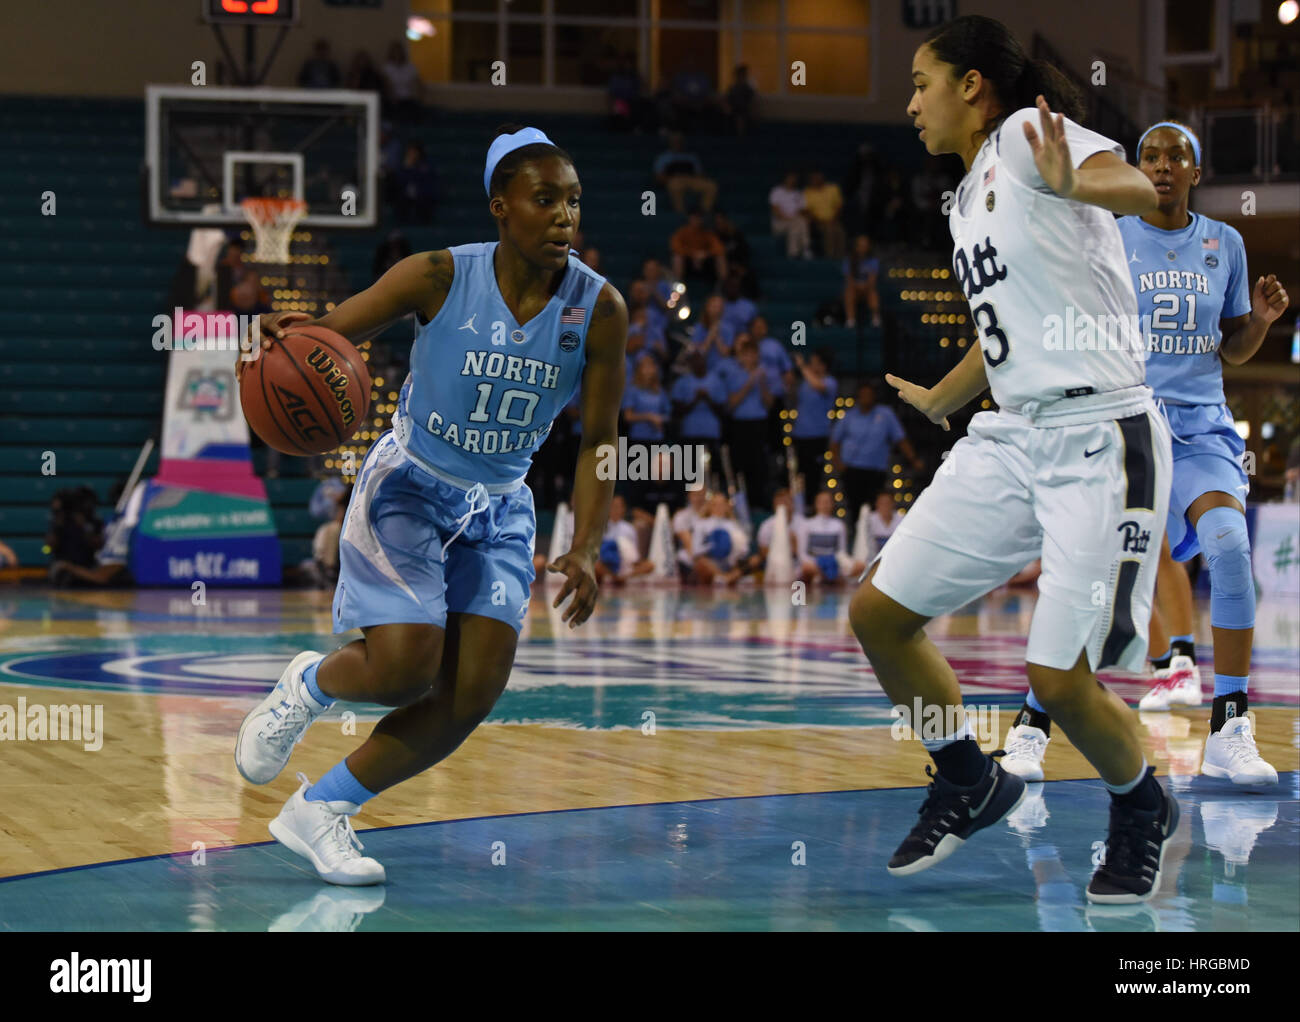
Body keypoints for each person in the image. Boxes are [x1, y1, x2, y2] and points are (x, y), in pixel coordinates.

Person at [233, 124, 628, 886]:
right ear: (500, 207)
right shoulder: (438, 275)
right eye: (544, 200)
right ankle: (308, 687)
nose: (564, 218)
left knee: (471, 693)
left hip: (503, 505)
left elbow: (599, 441)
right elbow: (327, 337)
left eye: (574, 202)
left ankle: (321, 810)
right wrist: (285, 334)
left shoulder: (599, 310)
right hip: (409, 487)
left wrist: (587, 542)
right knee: (405, 671)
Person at [849, 15, 1176, 904]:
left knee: (1056, 679)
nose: (909, 101)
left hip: (1103, 436)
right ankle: (965, 774)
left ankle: (1140, 803)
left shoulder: (1033, 139)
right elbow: (1009, 333)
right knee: (878, 613)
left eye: (922, 82)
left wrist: (1110, 184)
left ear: (972, 87)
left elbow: (1133, 186)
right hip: (1011, 433)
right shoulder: (963, 198)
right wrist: (943, 399)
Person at [1001, 119, 1288, 787]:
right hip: (1123, 421)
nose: (1161, 166)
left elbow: (1232, 346)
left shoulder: (1227, 243)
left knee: (1228, 544)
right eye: (1149, 156)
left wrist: (1262, 324)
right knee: (1089, 577)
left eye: (1175, 156)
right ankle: (1030, 730)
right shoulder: (1108, 234)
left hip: (1200, 429)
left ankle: (1232, 726)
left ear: (1195, 170)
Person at [829, 381, 923, 525]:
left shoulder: (886, 414)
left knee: (875, 508)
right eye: (863, 395)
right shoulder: (849, 416)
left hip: (876, 470)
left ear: (874, 397)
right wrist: (838, 464)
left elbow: (900, 439)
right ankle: (856, 538)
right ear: (858, 397)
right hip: (852, 469)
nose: (866, 398)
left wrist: (913, 459)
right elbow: (835, 441)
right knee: (854, 507)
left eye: (869, 395)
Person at [720, 336, 775, 507]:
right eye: (747, 354)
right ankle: (736, 505)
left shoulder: (765, 373)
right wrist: (750, 382)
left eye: (753, 354)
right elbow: (731, 404)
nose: (750, 358)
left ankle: (758, 505)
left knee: (759, 468)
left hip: (759, 425)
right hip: (739, 426)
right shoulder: (733, 374)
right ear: (741, 356)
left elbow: (770, 404)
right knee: (738, 466)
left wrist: (763, 384)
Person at [670, 350, 727, 478]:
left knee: (713, 473)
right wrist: (695, 400)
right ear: (690, 364)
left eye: (700, 360)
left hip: (711, 435)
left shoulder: (716, 381)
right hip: (689, 435)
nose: (698, 363)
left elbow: (723, 411)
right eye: (694, 361)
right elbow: (677, 412)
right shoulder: (682, 382)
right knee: (688, 473)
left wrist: (708, 399)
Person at [789, 350, 837, 481]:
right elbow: (794, 398)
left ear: (823, 365)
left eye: (813, 363)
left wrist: (801, 366)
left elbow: (819, 386)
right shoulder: (805, 383)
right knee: (797, 475)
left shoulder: (830, 382)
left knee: (813, 476)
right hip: (799, 435)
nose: (810, 365)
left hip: (817, 436)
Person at [797, 490, 863, 584]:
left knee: (860, 566)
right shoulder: (807, 525)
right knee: (806, 568)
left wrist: (835, 563)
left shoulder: (839, 525)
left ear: (832, 504)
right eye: (822, 502)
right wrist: (818, 563)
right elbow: (802, 553)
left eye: (828, 502)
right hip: (814, 563)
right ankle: (827, 578)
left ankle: (826, 578)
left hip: (834, 562)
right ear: (816, 504)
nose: (825, 505)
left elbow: (842, 551)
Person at [690, 493, 750, 585]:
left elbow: (744, 549)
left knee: (752, 560)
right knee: (701, 561)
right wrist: (712, 547)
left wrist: (733, 551)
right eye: (715, 504)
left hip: (730, 562)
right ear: (709, 507)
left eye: (722, 504)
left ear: (727, 506)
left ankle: (730, 577)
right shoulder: (701, 524)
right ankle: (723, 577)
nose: (718, 507)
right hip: (710, 562)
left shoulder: (733, 525)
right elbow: (696, 551)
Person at [653, 133, 717, 215]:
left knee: (711, 186)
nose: (677, 143)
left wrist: (692, 178)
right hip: (674, 180)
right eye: (675, 141)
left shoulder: (692, 156)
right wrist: (673, 178)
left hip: (692, 180)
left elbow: (700, 174)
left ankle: (703, 213)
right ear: (670, 142)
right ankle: (681, 214)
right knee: (675, 185)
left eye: (679, 141)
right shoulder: (663, 157)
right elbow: (659, 177)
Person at [670, 211, 727, 291]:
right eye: (694, 218)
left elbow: (719, 248)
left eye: (699, 218)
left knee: (720, 258)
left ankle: (721, 287)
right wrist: (693, 254)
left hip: (705, 262)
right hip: (688, 262)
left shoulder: (707, 233)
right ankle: (677, 288)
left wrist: (705, 254)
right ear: (689, 218)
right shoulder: (682, 232)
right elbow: (675, 247)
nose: (696, 221)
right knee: (677, 258)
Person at [803, 170, 846, 260]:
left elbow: (839, 206)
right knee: (829, 231)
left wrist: (834, 219)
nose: (816, 180)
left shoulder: (833, 188)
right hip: (818, 223)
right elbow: (807, 212)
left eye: (818, 177)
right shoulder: (807, 192)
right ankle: (830, 257)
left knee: (840, 231)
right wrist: (821, 222)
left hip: (834, 220)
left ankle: (840, 258)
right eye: (814, 178)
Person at [769, 171, 811, 260]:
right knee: (799, 223)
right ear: (785, 179)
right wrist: (790, 218)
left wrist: (800, 217)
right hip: (779, 223)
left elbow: (803, 211)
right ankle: (806, 248)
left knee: (798, 223)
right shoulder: (777, 191)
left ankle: (793, 253)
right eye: (790, 178)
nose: (792, 180)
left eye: (794, 178)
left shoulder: (798, 193)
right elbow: (775, 211)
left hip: (794, 222)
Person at [843, 234, 882, 328]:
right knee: (849, 292)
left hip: (867, 289)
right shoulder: (849, 260)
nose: (863, 248)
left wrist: (864, 286)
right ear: (856, 247)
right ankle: (850, 320)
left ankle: (875, 318)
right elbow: (849, 280)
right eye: (860, 246)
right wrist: (858, 286)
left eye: (865, 246)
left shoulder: (873, 261)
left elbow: (872, 281)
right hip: (854, 289)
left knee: (873, 293)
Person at [863, 491, 904, 563]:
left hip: (896, 558)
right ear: (877, 504)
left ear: (893, 504)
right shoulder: (870, 520)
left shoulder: (901, 519)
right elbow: (869, 546)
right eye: (882, 503)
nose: (885, 506)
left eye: (888, 503)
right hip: (875, 559)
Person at [723, 64, 756, 136]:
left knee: (740, 116)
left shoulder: (747, 88)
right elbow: (727, 99)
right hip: (734, 109)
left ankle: (740, 136)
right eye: (739, 75)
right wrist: (727, 106)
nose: (740, 77)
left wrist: (751, 109)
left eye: (742, 75)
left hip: (743, 110)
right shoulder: (733, 88)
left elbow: (752, 102)